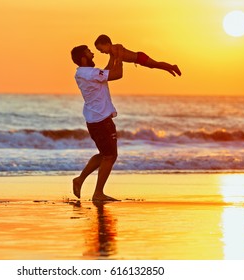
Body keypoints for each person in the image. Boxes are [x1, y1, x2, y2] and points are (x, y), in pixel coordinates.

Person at [70, 45, 123, 202]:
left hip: (94, 120)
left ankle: (79, 180)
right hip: (101, 121)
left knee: (104, 154)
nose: (93, 54)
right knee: (110, 156)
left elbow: (105, 73)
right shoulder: (89, 72)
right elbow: (117, 74)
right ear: (83, 58)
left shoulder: (83, 73)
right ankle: (98, 193)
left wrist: (112, 58)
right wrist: (120, 56)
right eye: (89, 52)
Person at [94, 34, 181, 77]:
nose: (101, 52)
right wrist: (101, 75)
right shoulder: (112, 54)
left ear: (107, 44)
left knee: (156, 64)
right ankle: (169, 68)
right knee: (155, 65)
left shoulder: (115, 48)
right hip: (139, 60)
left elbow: (120, 47)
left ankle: (173, 67)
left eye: (101, 49)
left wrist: (119, 59)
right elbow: (109, 66)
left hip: (140, 57)